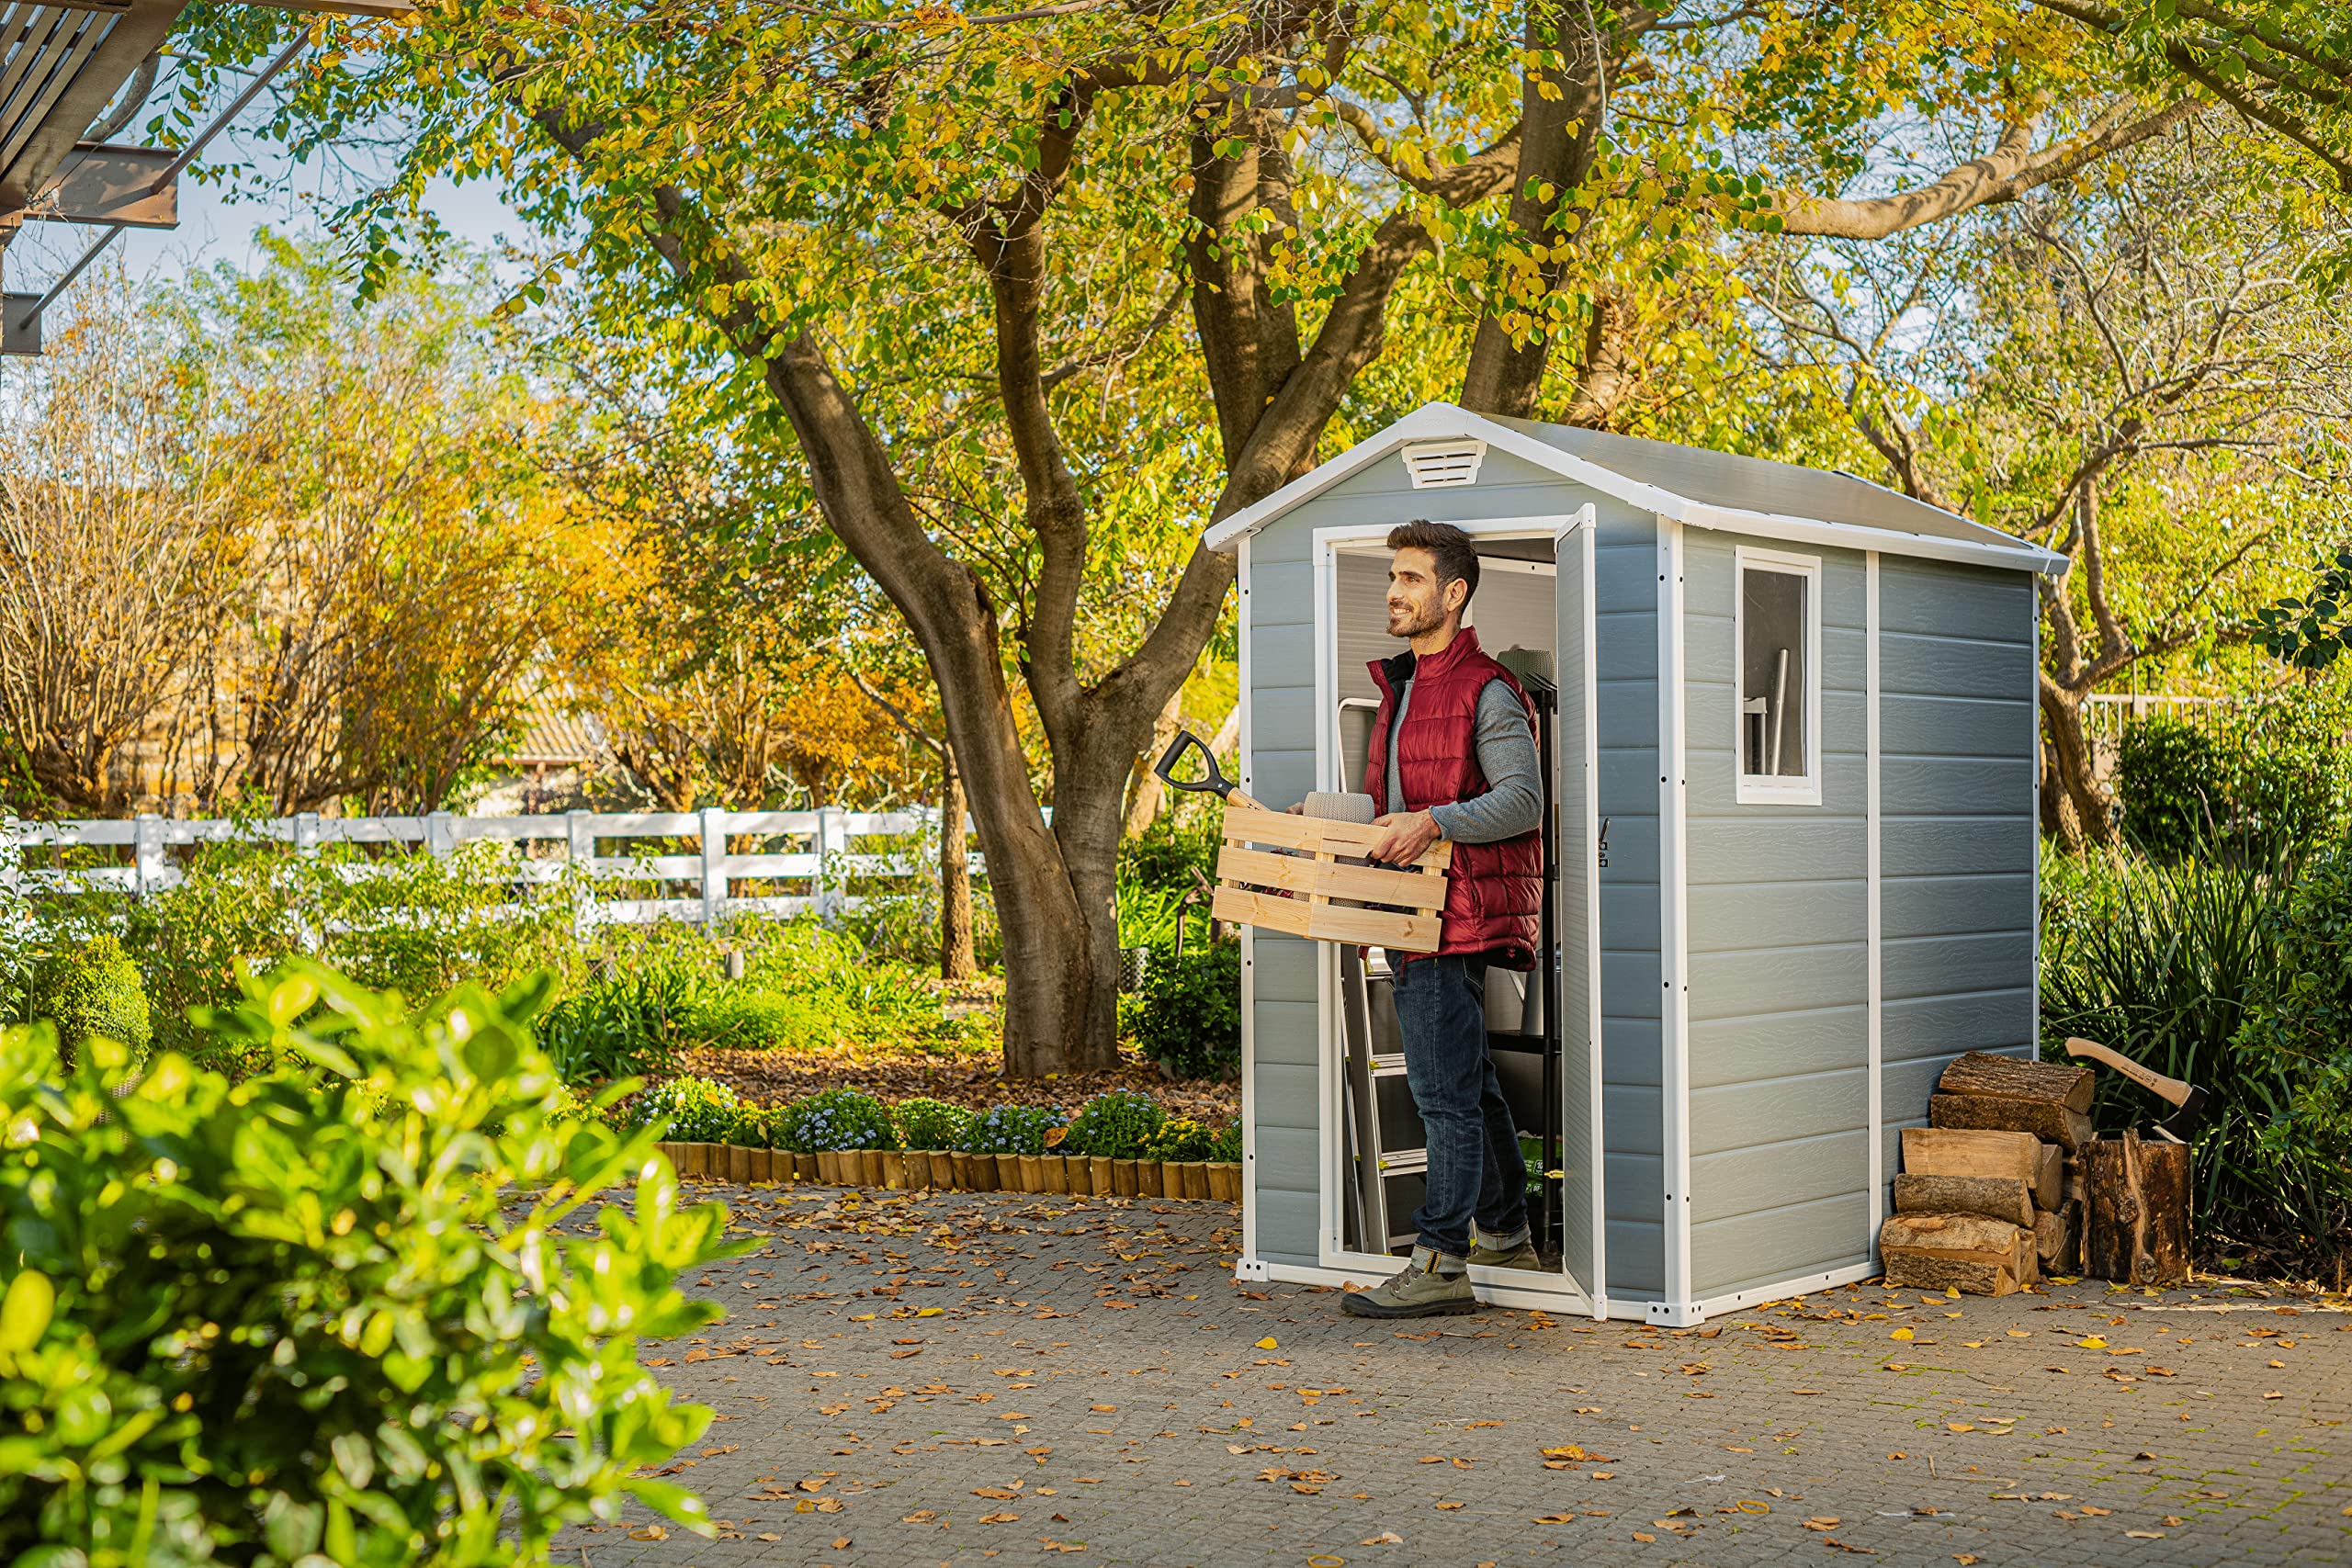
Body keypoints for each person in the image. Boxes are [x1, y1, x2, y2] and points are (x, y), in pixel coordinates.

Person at [1340, 520, 1544, 1319]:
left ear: (1454, 593)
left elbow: (1522, 799)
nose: (1395, 590)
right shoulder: (1405, 685)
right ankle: (1502, 1230)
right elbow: (1395, 807)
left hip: (1448, 914)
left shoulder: (1486, 687)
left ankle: (1440, 1258)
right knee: (1474, 1087)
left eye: (1412, 578)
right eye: (1393, 576)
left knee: (1442, 1095)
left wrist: (1433, 822)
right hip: (1409, 909)